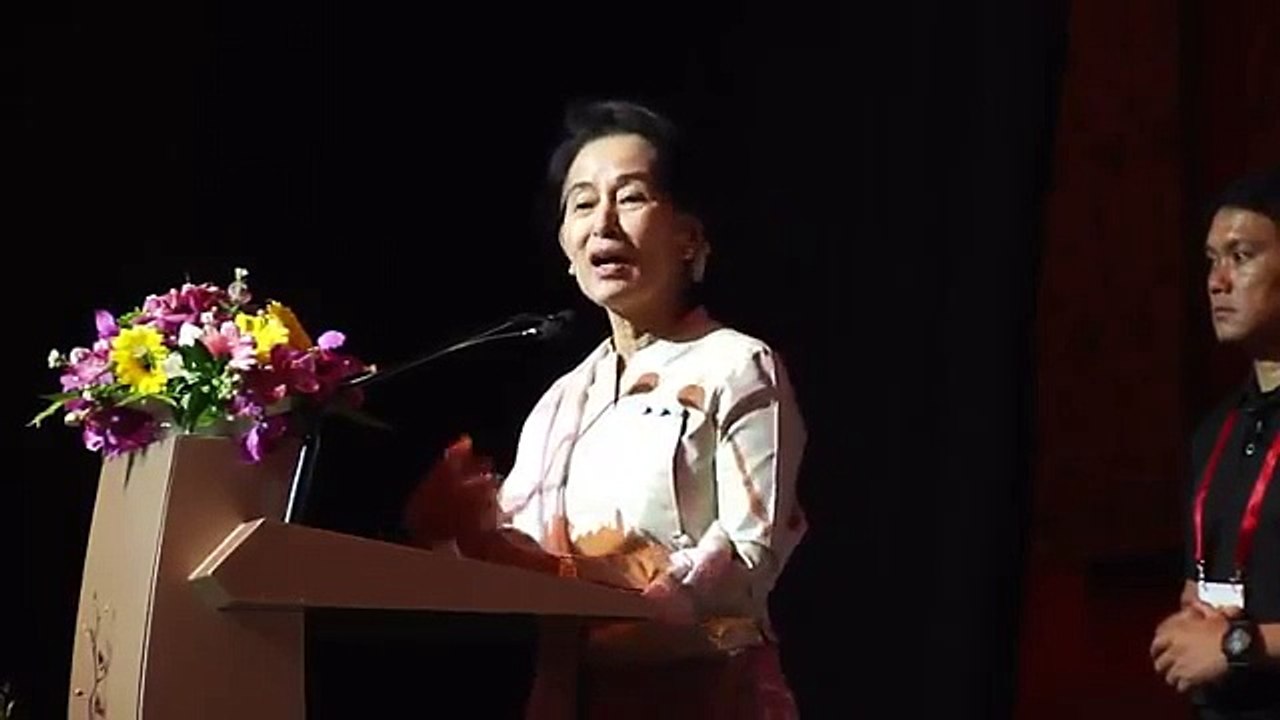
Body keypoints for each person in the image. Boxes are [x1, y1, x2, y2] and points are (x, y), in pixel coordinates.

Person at [402, 99, 808, 719]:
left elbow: (751, 557)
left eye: (632, 197)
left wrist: (646, 595)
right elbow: (528, 568)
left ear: (689, 236)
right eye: (583, 203)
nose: (604, 224)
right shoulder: (561, 403)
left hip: (707, 694)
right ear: (567, 247)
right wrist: (458, 534)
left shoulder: (737, 365)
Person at [1150, 168, 1280, 719]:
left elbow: (1234, 644)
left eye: (1241, 256)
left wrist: (1237, 647)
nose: (1216, 281)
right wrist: (1192, 624)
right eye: (1211, 260)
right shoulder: (1216, 431)